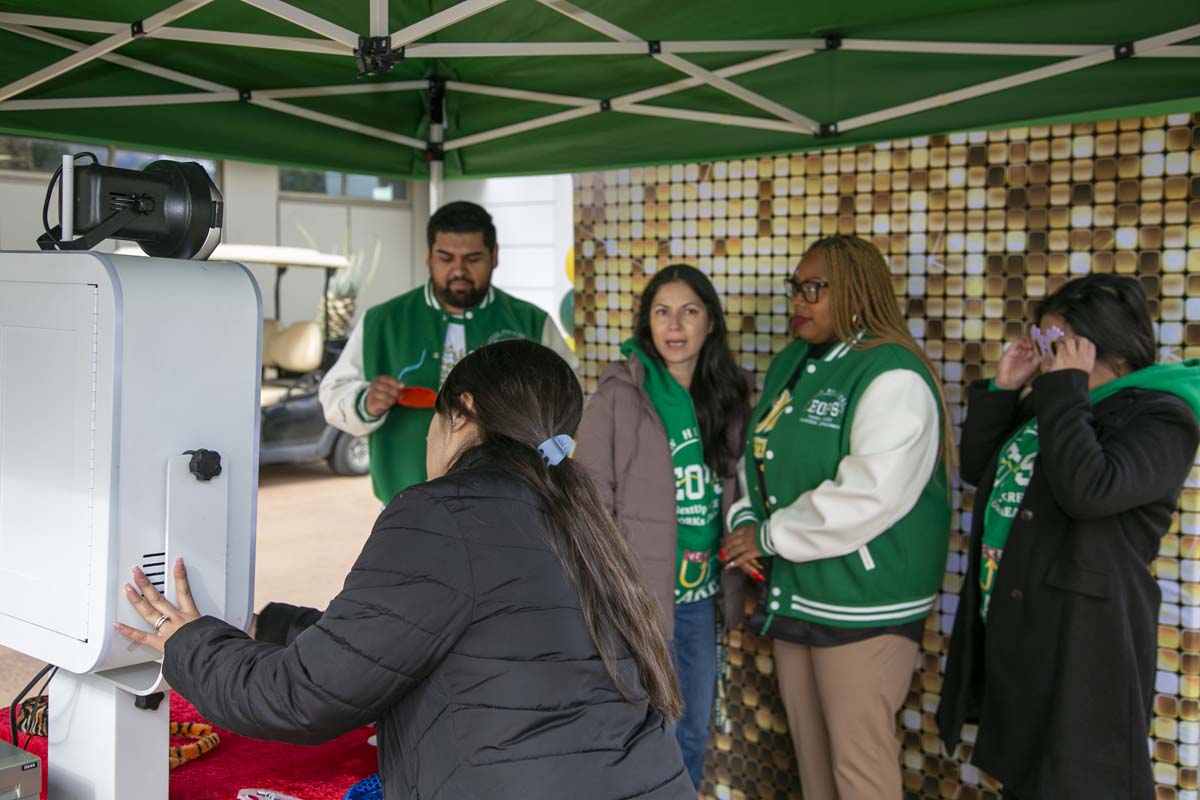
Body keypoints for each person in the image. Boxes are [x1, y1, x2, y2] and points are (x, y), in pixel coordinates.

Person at [116, 339, 694, 799]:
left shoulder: (446, 511)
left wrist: (187, 642)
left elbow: (298, 697)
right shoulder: (579, 517)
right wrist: (272, 626)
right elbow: (432, 634)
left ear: (461, 414)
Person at [937, 274, 1200, 800]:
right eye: (1041, 342)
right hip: (1024, 622)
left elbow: (1090, 490)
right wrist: (1007, 390)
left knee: (1077, 780)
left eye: (1055, 343)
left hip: (1085, 640)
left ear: (1105, 348)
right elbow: (983, 469)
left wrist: (1064, 389)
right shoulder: (1056, 402)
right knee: (1028, 779)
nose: (1045, 355)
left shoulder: (1163, 415)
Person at [721, 235, 954, 800]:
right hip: (799, 592)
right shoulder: (792, 361)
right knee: (815, 766)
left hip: (864, 604)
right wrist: (748, 518)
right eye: (795, 287)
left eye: (813, 288)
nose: (798, 300)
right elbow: (758, 456)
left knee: (859, 771)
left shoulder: (891, 374)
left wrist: (769, 536)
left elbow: (870, 493)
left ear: (855, 291)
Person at [575, 264, 751, 789]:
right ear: (646, 324)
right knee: (650, 731)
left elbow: (740, 495)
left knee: (693, 732)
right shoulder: (617, 396)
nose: (675, 325)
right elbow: (588, 501)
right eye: (662, 312)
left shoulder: (728, 399)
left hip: (700, 598)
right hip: (639, 599)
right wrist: (608, 591)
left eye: (689, 311)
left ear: (710, 324)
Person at [320, 200, 577, 504]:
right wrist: (366, 401)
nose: (459, 270)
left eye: (472, 259)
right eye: (446, 258)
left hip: (511, 501)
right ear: (429, 257)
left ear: (494, 256)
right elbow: (332, 394)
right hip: (405, 499)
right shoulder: (382, 321)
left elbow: (570, 399)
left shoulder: (530, 322)